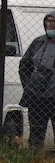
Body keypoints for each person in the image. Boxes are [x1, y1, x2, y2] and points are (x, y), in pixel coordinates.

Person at [19, 10, 55, 152]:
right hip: (37, 96)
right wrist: (29, 86)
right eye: (48, 21)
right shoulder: (38, 42)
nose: (50, 25)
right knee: (36, 134)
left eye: (53, 22)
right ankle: (34, 160)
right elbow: (24, 65)